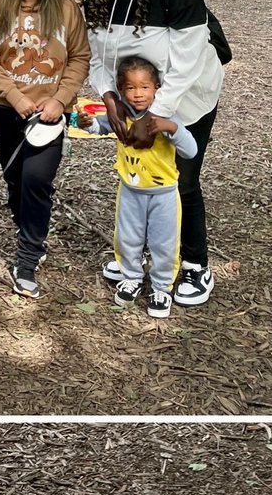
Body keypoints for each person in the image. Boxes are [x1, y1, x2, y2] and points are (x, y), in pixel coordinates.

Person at [79, 0, 224, 306]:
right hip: (134, 98)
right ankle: (138, 258)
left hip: (188, 100)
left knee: (181, 181)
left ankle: (195, 264)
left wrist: (153, 117)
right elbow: (99, 58)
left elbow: (186, 65)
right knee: (139, 177)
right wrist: (109, 97)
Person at [0, 0, 89, 299]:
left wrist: (60, 99)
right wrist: (13, 95)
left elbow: (79, 57)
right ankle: (27, 227)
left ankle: (27, 258)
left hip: (49, 114)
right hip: (6, 108)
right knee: (14, 178)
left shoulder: (66, 9)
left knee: (36, 180)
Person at [77, 55, 197, 319]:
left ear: (157, 88)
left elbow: (191, 150)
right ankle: (131, 277)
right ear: (121, 90)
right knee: (128, 238)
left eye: (145, 87)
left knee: (164, 243)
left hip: (164, 193)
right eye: (130, 87)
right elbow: (100, 127)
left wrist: (171, 128)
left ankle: (161, 288)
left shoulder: (165, 117)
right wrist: (87, 123)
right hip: (130, 192)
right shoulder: (121, 113)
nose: (138, 94)